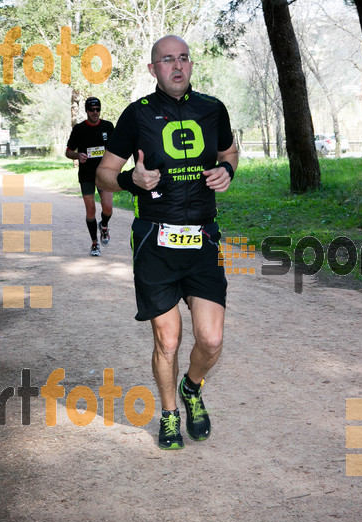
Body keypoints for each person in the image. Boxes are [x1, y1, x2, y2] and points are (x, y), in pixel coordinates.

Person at [96, 35, 238, 450]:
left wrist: (228, 171)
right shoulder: (136, 115)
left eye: (183, 59)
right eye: (166, 60)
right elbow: (103, 174)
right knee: (168, 340)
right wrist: (130, 180)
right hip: (155, 242)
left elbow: (230, 151)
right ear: (153, 69)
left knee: (211, 340)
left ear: (190, 64)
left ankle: (192, 388)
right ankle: (171, 413)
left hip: (202, 240)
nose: (177, 66)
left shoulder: (213, 109)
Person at [66, 97, 115, 256]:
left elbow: (116, 149)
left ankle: (105, 226)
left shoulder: (108, 126)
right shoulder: (79, 129)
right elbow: (68, 152)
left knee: (107, 208)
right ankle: (95, 243)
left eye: (97, 109)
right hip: (87, 174)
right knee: (91, 210)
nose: (95, 112)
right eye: (92, 110)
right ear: (86, 111)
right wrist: (77, 155)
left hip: (104, 173)